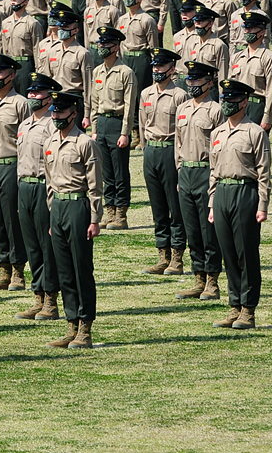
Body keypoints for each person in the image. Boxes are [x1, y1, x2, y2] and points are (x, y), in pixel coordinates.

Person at [209, 79, 272, 330]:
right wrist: (212, 203)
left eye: (233, 100)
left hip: (246, 193)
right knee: (229, 254)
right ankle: (234, 305)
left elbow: (264, 172)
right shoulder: (217, 133)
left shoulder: (255, 132)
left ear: (244, 102)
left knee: (246, 253)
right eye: (225, 99)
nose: (227, 104)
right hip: (223, 193)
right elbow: (213, 171)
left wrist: (263, 205)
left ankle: (248, 309)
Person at [43, 91, 103, 349]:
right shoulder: (51, 142)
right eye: (54, 111)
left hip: (79, 207)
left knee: (81, 270)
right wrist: (51, 214)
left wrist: (94, 218)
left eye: (61, 111)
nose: (56, 116)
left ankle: (85, 328)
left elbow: (95, 184)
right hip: (58, 208)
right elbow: (48, 180)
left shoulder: (85, 143)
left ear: (74, 113)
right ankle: (71, 323)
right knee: (64, 270)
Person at [0, 54, 33, 291]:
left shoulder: (21, 104)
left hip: (12, 166)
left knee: (13, 220)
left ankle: (18, 271)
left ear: (11, 76)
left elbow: (28, 138)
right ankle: (3, 269)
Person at [175, 62, 224, 300]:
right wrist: (179, 170)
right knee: (192, 229)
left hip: (206, 172)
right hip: (187, 173)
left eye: (197, 81)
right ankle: (198, 277)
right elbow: (178, 143)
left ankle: (212, 280)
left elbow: (219, 148)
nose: (192, 85)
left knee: (208, 230)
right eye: (190, 80)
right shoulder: (182, 108)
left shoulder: (216, 110)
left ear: (209, 82)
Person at [15, 72, 62, 320]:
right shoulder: (24, 124)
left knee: (47, 245)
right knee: (32, 245)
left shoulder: (53, 125)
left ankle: (51, 299)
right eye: (30, 91)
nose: (32, 95)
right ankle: (38, 295)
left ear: (49, 97)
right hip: (25, 187)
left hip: (45, 186)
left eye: (38, 92)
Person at [139, 49, 187, 275]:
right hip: (151, 151)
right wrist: (144, 150)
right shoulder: (146, 93)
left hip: (170, 150)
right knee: (157, 207)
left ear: (172, 69)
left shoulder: (180, 95)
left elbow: (182, 131)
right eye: (154, 66)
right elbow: (141, 124)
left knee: (174, 206)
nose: (156, 70)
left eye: (161, 66)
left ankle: (177, 255)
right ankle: (163, 253)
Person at [89, 26, 136, 230]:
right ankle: (109, 211)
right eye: (101, 43)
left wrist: (125, 133)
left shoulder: (126, 72)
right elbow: (94, 101)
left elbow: (129, 106)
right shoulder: (98, 71)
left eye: (107, 44)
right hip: (102, 123)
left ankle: (121, 214)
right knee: (105, 172)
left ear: (116, 47)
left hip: (118, 124)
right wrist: (94, 128)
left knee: (120, 172)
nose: (102, 47)